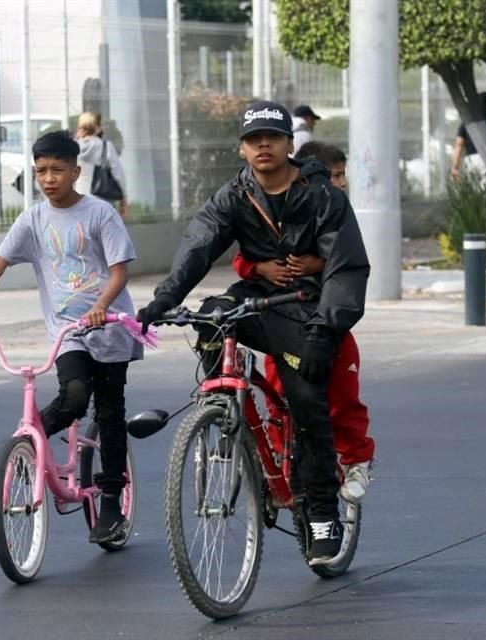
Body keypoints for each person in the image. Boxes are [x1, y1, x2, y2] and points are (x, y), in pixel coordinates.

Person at [137, 101, 369, 565]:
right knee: (207, 317)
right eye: (252, 138)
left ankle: (322, 513)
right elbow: (199, 244)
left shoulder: (323, 196)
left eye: (272, 137)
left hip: (305, 308)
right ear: (242, 149)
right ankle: (222, 405)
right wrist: (163, 299)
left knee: (307, 402)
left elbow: (346, 269)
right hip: (255, 298)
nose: (263, 144)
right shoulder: (234, 194)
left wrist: (326, 329)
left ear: (289, 144)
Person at [0, 130, 142, 545]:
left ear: (76, 170)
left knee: (109, 413)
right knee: (74, 396)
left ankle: (110, 504)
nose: (49, 178)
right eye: (41, 171)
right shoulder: (33, 219)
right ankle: (32, 445)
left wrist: (102, 307)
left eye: (57, 170)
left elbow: (120, 270)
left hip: (110, 330)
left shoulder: (100, 214)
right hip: (67, 333)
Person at [230, 140, 373, 504]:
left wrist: (318, 264)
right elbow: (243, 257)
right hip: (282, 322)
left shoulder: (334, 210)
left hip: (326, 324)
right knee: (280, 399)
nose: (339, 183)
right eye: (333, 175)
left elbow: (348, 264)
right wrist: (259, 267)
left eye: (342, 176)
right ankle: (281, 463)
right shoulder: (270, 206)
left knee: (341, 399)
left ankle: (357, 460)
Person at [74, 111, 128, 217]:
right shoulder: (106, 146)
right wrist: (124, 198)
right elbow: (118, 175)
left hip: (79, 201)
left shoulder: (73, 147)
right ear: (96, 127)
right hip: (103, 201)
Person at [450, 91, 486, 182]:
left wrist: (455, 167)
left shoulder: (467, 122)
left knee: (474, 189)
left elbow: (459, 145)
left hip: (471, 160)